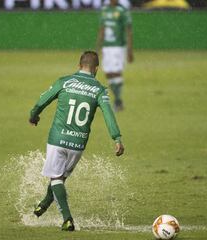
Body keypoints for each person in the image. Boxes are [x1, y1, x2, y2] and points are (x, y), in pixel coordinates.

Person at [29, 51, 124, 231]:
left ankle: (67, 219)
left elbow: (42, 101)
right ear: (97, 68)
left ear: (79, 65)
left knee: (55, 177)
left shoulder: (64, 81)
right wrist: (117, 138)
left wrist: (33, 116)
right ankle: (43, 205)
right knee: (60, 179)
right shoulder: (99, 90)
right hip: (78, 143)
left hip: (57, 139)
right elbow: (109, 116)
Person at [96, 0, 134, 111]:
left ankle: (118, 101)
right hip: (106, 47)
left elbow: (128, 31)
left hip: (118, 47)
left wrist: (129, 50)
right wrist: (97, 48)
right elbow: (102, 30)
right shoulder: (104, 10)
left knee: (116, 72)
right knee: (108, 73)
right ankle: (118, 100)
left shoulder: (122, 11)